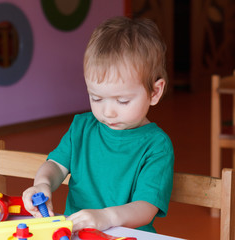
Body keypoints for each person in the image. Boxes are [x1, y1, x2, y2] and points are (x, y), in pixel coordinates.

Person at [22, 16, 174, 233]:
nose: (107, 111)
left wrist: (105, 217)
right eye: (96, 98)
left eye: (122, 101)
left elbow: (146, 207)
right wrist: (42, 184)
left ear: (155, 92)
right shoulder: (82, 128)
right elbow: (55, 165)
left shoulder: (156, 145)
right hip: (75, 234)